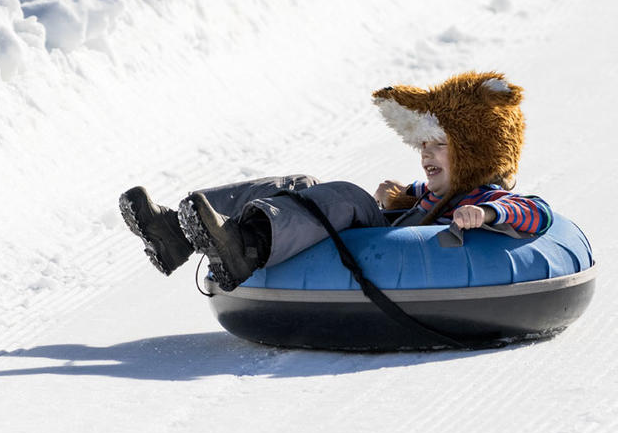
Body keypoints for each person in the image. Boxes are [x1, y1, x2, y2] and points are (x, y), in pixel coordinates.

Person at [119, 71, 552, 292]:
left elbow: (537, 212)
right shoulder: (434, 193)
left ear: (479, 152)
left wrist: (488, 212)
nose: (425, 154)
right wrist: (400, 197)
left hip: (393, 256)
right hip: (383, 238)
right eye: (422, 144)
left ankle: (246, 246)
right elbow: (415, 199)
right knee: (298, 183)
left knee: (346, 196)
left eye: (439, 145)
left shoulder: (484, 196)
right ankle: (178, 232)